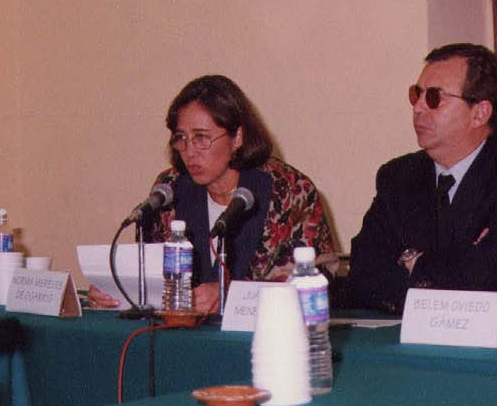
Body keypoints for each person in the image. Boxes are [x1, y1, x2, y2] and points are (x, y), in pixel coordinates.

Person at [348, 43, 497, 317]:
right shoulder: (398, 177)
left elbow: (484, 276)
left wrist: (411, 263)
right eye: (416, 94)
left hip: (493, 340)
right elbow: (363, 272)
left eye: (434, 98)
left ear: (479, 113)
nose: (418, 107)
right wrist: (447, 275)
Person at [89, 75, 335, 312]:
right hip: (182, 336)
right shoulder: (169, 190)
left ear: (237, 138)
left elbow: (321, 283)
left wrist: (232, 295)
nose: (189, 152)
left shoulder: (291, 191)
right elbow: (153, 281)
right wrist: (116, 291)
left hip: (264, 333)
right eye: (181, 138)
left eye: (201, 138)